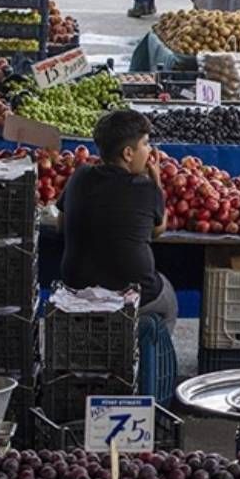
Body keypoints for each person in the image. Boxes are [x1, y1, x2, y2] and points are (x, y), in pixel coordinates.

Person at [59, 110, 178, 333]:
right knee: (169, 298)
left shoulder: (80, 175)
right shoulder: (145, 188)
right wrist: (157, 181)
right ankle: (150, 359)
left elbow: (60, 224)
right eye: (145, 143)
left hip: (77, 288)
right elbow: (158, 229)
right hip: (131, 293)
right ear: (128, 154)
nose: (151, 150)